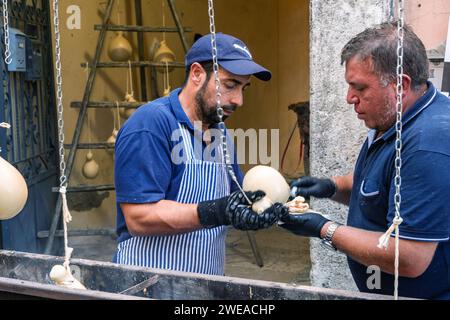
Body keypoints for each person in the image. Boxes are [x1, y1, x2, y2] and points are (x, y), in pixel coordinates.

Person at [283, 22, 450, 299]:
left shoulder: (426, 144)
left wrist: (323, 228)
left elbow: (410, 256)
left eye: (359, 88)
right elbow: (381, 188)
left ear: (400, 85)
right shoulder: (390, 117)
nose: (350, 98)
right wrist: (330, 187)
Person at [113, 33, 288, 275]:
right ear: (197, 74)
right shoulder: (151, 124)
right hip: (148, 284)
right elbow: (138, 217)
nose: (239, 100)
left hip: (205, 283)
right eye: (230, 85)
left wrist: (267, 204)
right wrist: (216, 211)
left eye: (244, 88)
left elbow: (233, 198)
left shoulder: (220, 132)